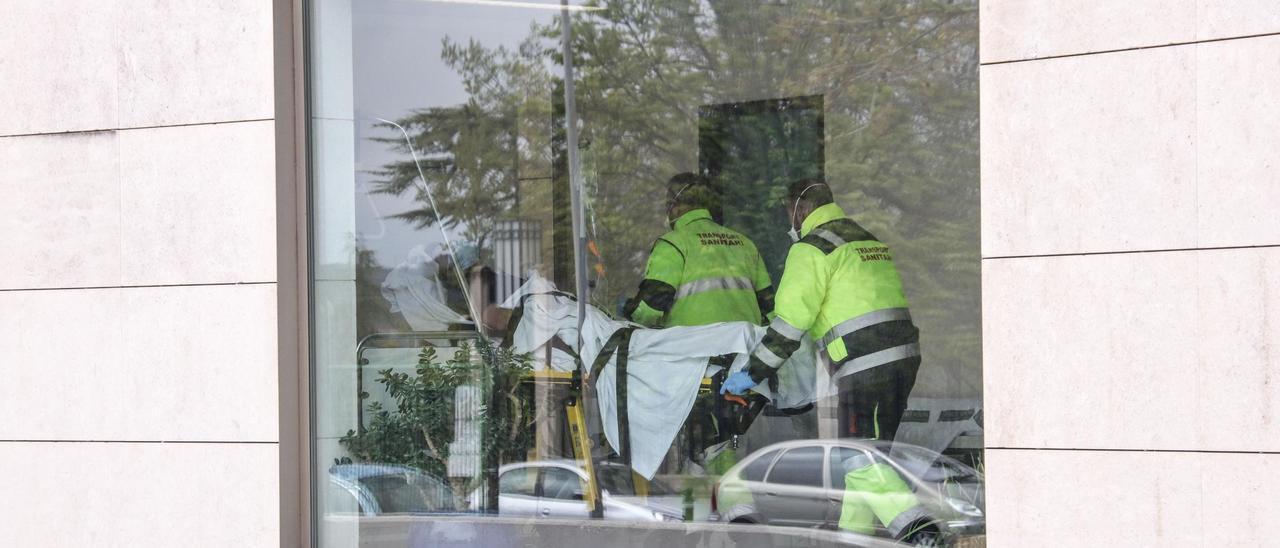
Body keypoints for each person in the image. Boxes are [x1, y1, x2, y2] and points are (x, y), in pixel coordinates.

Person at [720, 177, 930, 541]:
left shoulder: (810, 249)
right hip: (903, 359)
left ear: (801, 209)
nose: (790, 221)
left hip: (865, 367)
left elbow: (788, 329)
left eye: (789, 212)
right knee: (865, 460)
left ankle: (922, 531)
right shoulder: (867, 240)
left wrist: (750, 375)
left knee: (858, 460)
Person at [623, 172, 774, 328]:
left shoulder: (674, 243)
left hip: (694, 349)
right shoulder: (745, 244)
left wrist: (627, 310)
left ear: (675, 205)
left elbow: (649, 311)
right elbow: (771, 310)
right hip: (744, 349)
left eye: (668, 205)